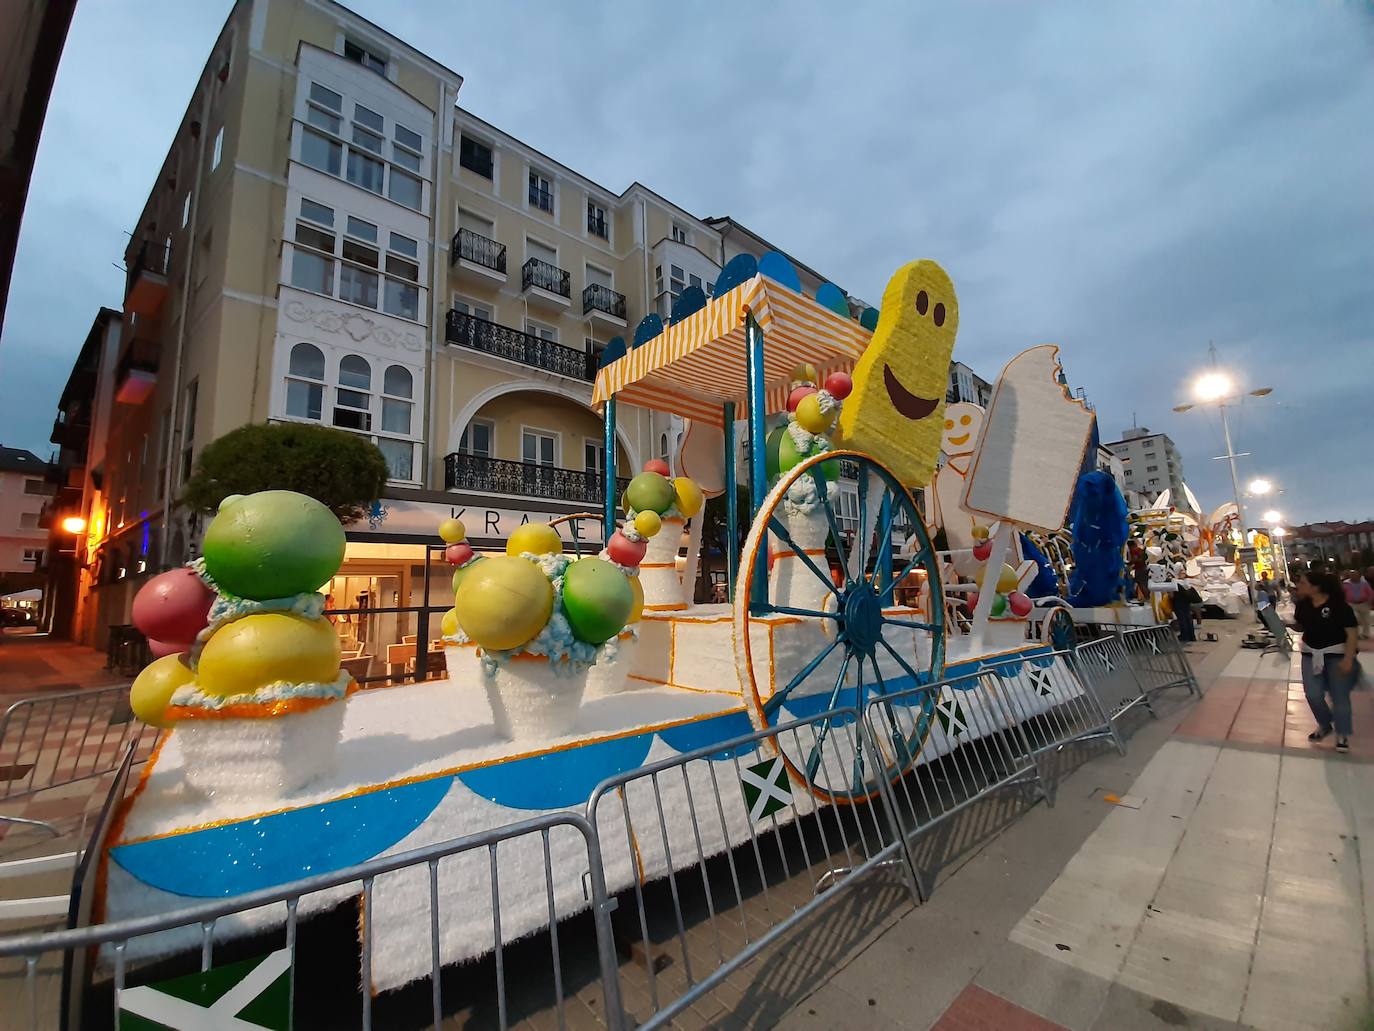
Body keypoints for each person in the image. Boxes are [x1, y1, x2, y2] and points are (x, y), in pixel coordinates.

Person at [1293, 570, 1360, 753]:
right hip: (1310, 654)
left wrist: (1348, 658)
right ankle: (1325, 723)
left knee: (1340, 697)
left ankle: (1342, 734)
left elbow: (1351, 633)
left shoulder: (1339, 606)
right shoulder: (1302, 605)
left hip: (1336, 655)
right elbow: (1301, 625)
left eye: (1303, 583)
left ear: (1316, 587)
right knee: (1312, 694)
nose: (1299, 586)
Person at [1343, 570, 1372, 639]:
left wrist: (1369, 601)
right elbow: (1342, 593)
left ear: (1359, 576)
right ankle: (1356, 634)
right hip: (1351, 604)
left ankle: (1366, 634)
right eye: (1351, 575)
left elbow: (1370, 593)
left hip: (1364, 603)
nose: (1352, 576)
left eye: (1354, 575)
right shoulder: (1346, 583)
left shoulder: (1364, 583)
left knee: (1366, 620)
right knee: (1355, 618)